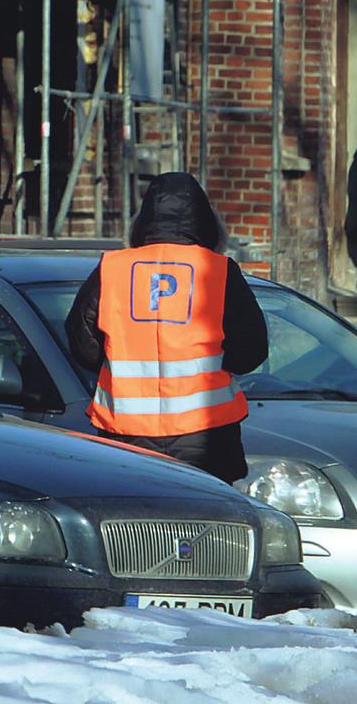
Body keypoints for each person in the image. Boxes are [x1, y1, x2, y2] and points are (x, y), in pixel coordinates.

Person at [65, 172, 268, 484]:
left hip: (126, 436)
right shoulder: (219, 271)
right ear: (203, 220)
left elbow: (81, 339)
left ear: (143, 219)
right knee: (209, 526)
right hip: (206, 438)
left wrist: (118, 364)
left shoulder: (113, 268)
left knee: (132, 527)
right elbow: (252, 348)